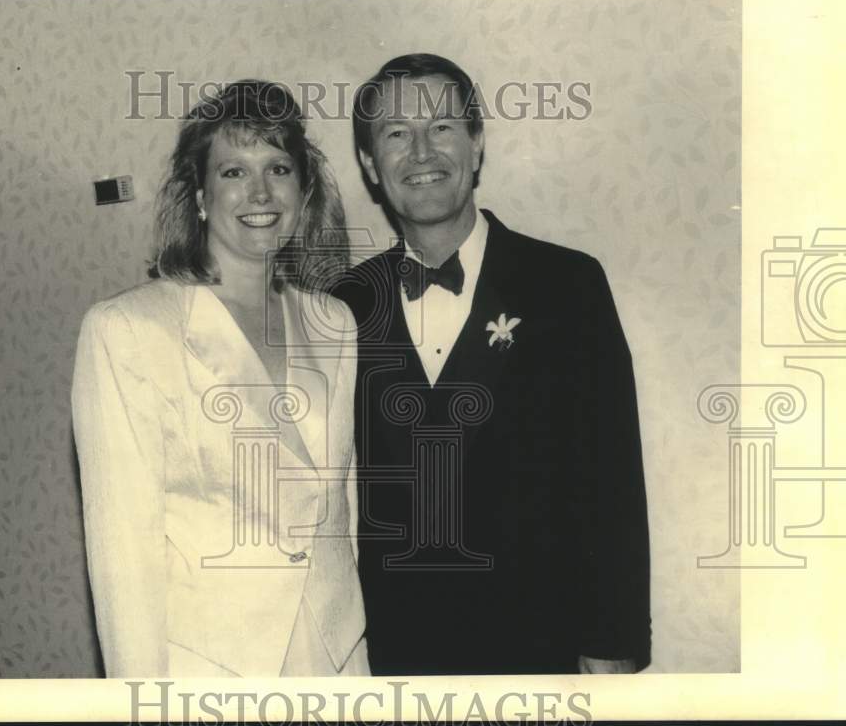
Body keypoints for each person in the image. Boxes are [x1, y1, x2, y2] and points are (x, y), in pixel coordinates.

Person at [333, 54, 651, 675]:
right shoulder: (345, 305)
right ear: (372, 165)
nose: (422, 152)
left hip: (545, 649)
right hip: (396, 658)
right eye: (396, 134)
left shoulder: (567, 284)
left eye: (443, 128)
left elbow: (613, 478)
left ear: (476, 145)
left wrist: (612, 643)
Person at [71, 80, 368, 677]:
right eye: (234, 171)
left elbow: (341, 505)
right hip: (212, 666)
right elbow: (122, 554)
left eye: (279, 168)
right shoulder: (127, 329)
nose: (260, 192)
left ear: (304, 191)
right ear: (202, 197)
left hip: (335, 652)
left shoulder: (333, 322)